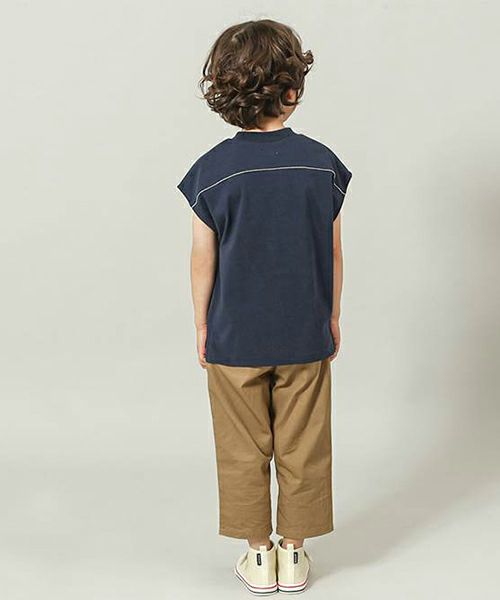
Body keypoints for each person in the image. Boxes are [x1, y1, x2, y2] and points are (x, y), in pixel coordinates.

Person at [177, 18, 352, 595]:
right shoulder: (322, 165)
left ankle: (258, 555)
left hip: (234, 337)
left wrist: (202, 324)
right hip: (304, 332)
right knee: (304, 444)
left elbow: (203, 259)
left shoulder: (210, 172)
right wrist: (330, 316)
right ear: (293, 88)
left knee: (241, 447)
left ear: (225, 94)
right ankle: (294, 552)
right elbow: (332, 251)